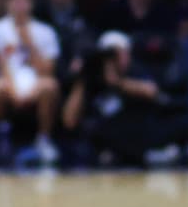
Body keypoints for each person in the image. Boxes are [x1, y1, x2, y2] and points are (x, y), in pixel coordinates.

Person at [62, 32, 178, 166]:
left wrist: (117, 83)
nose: (116, 59)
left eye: (119, 53)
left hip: (136, 139)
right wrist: (81, 80)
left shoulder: (134, 71)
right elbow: (69, 121)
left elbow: (151, 91)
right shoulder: (91, 80)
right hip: (100, 147)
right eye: (110, 56)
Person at [0, 0, 63, 166]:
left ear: (31, 4)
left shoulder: (46, 32)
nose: (19, 5)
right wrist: (16, 93)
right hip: (9, 81)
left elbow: (48, 70)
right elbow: (2, 66)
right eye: (15, 0)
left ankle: (43, 140)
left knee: (50, 86)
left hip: (36, 82)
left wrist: (28, 43)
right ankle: (1, 138)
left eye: (23, 0)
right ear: (7, 4)